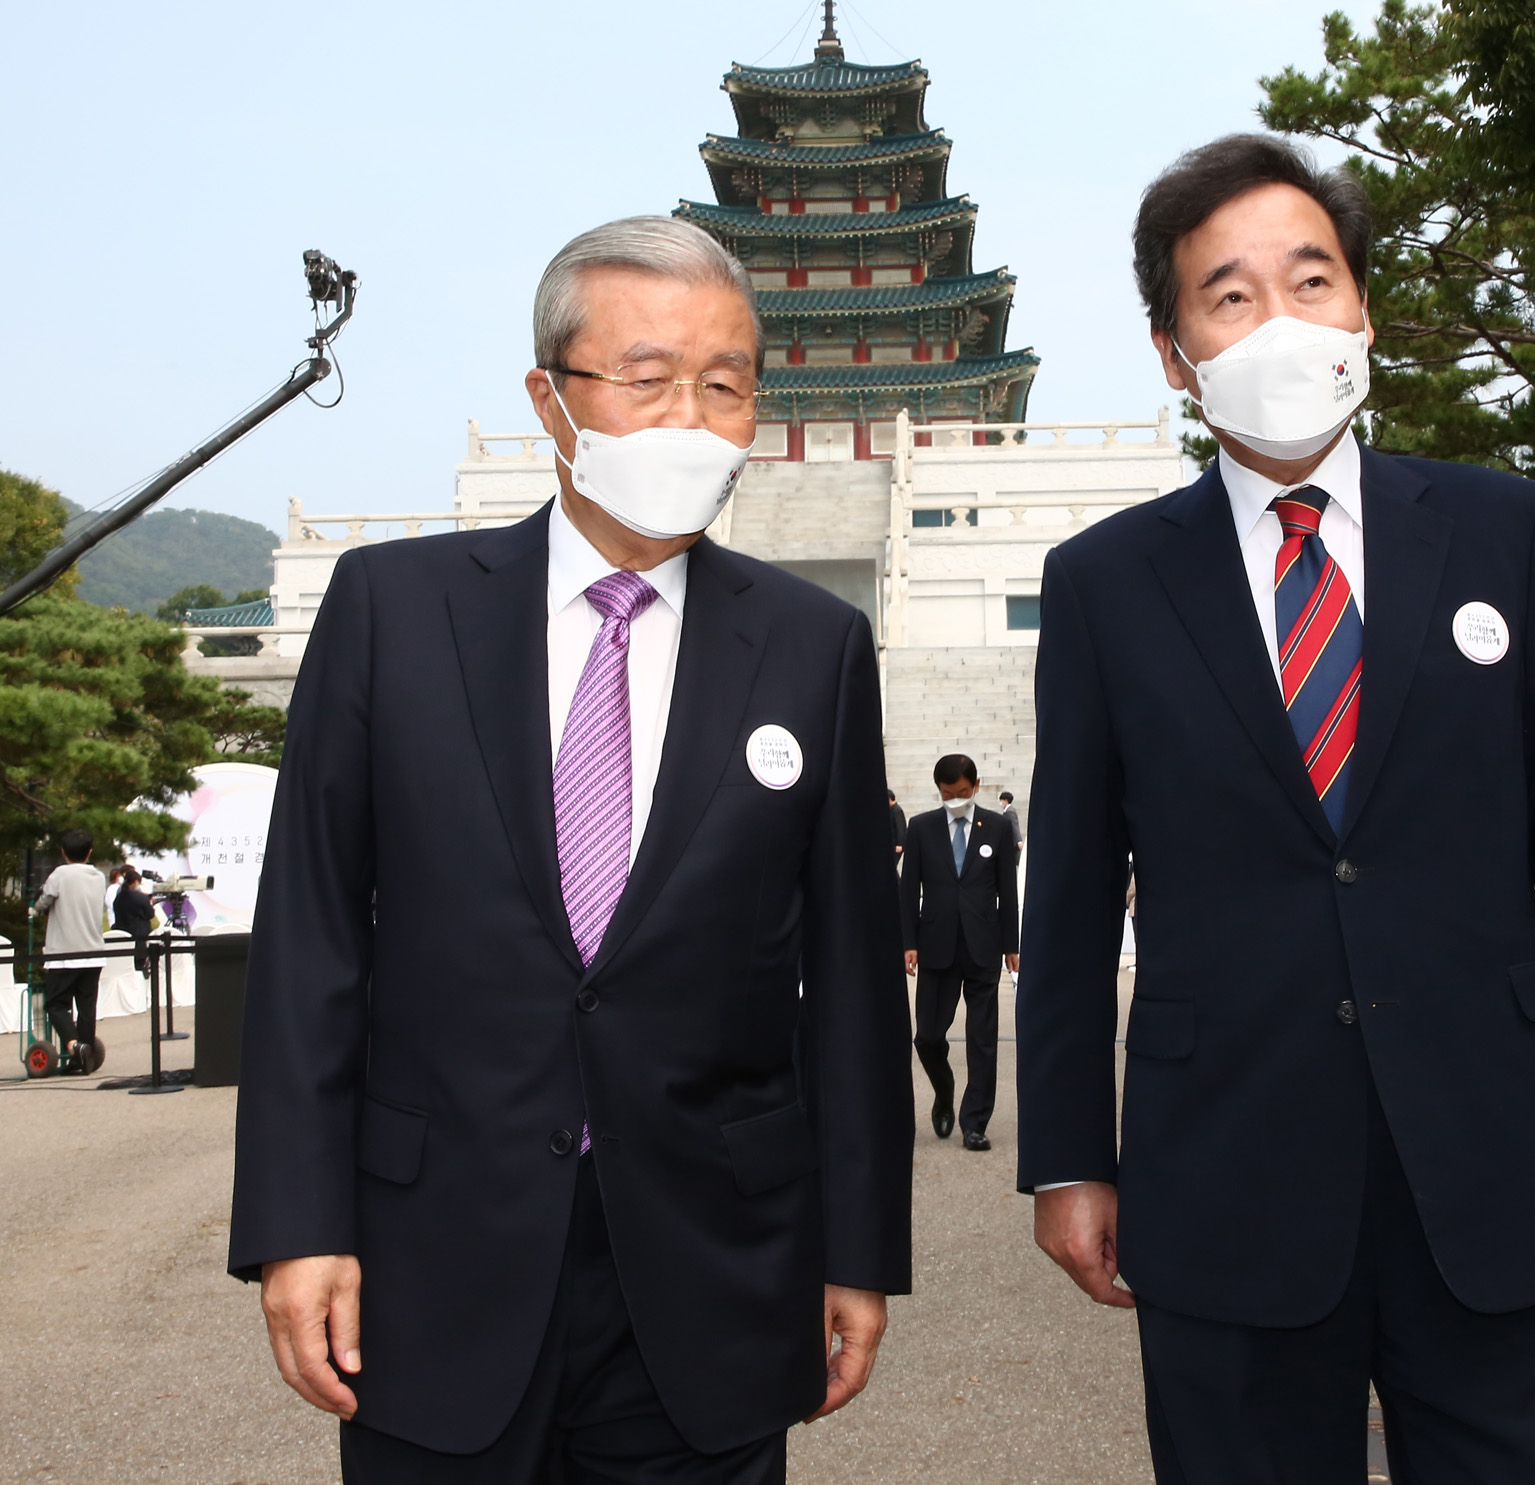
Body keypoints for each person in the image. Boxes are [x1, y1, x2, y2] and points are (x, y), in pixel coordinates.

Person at [1017, 135, 1535, 1481]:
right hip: (1225, 1158)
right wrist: (1066, 1158)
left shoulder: (1504, 529)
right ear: (1175, 352)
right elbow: (1077, 884)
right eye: (1229, 294)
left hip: (1487, 1145)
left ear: (1363, 311)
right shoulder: (1104, 582)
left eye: (1310, 279)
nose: (1278, 321)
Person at [229, 216, 913, 1481]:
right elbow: (312, 937)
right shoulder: (393, 613)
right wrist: (295, 1225)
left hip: (713, 1264)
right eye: (646, 379)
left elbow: (856, 981)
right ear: (551, 400)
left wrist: (857, 1249)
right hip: (434, 1258)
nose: (690, 418)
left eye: (726, 384)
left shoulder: (812, 647)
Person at [901, 754, 1019, 1153]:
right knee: (928, 1036)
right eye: (948, 794)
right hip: (936, 944)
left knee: (982, 1038)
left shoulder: (998, 828)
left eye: (963, 793)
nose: (956, 800)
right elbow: (908, 890)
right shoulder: (921, 828)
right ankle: (945, 1090)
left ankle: (974, 1122)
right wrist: (908, 942)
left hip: (983, 945)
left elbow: (1008, 891)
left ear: (977, 786)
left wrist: (1011, 945)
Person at [32, 829, 108, 1076]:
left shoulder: (60, 875)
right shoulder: (98, 876)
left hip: (63, 953)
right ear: (90, 852)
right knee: (87, 1007)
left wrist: (34, 911)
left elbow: (45, 900)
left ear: (63, 853)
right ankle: (83, 1059)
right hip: (93, 951)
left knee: (55, 1004)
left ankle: (75, 1046)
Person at [112, 865, 155, 968]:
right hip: (139, 936)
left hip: (122, 935)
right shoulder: (141, 898)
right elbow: (150, 914)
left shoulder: (119, 898)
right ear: (136, 882)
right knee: (139, 966)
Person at [997, 790, 1024, 870]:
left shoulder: (1010, 811)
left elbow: (1014, 825)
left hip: (1012, 842)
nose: (1001, 803)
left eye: (1001, 800)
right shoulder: (1008, 811)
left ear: (1005, 800)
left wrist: (1019, 841)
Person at [888, 788, 907, 864]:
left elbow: (900, 828)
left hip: (897, 845)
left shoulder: (896, 810)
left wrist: (899, 844)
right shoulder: (892, 810)